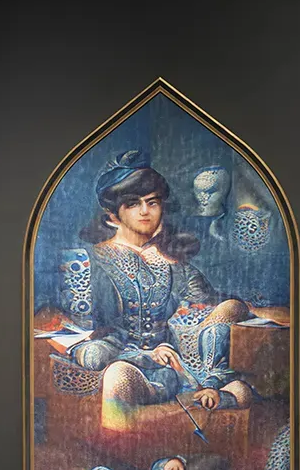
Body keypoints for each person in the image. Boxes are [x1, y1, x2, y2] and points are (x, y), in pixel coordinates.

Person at [68, 148, 252, 430]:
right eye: (133, 204)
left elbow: (212, 307)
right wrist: (144, 355)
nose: (145, 211)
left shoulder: (176, 265)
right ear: (112, 216)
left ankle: (198, 404)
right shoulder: (86, 261)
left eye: (152, 202)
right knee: (111, 369)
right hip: (119, 360)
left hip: (171, 368)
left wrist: (227, 312)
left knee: (239, 384)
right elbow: (75, 334)